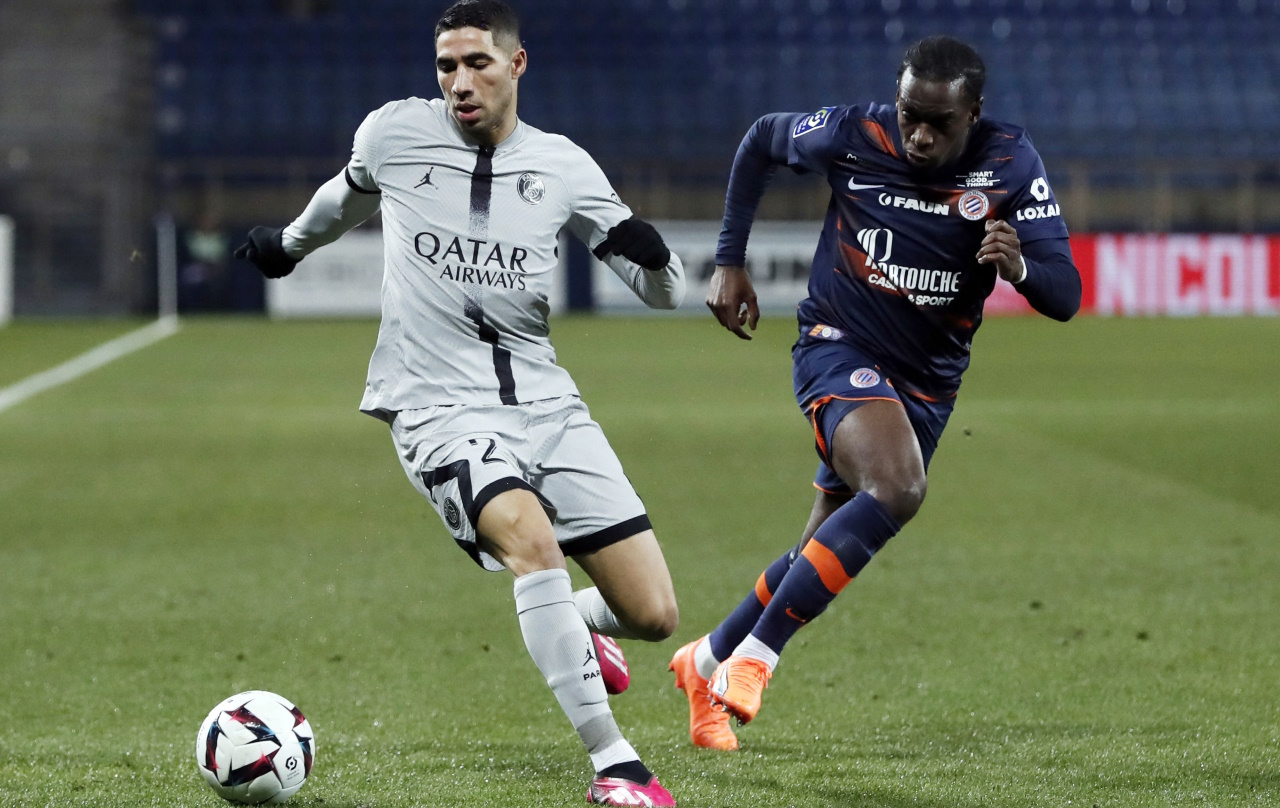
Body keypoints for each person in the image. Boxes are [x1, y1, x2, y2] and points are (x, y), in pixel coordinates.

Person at [234, 2, 683, 804]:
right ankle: (616, 764)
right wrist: (287, 245)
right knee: (531, 544)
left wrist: (655, 264)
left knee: (652, 615)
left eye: (476, 62)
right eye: (446, 65)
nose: (458, 82)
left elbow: (660, 292)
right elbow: (345, 197)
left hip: (548, 406)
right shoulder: (396, 135)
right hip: (436, 406)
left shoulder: (563, 166)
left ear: (517, 65)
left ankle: (573, 626)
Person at [669, 35, 1081, 751]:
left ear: (973, 115)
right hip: (838, 349)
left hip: (926, 386)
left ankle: (703, 661)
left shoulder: (1012, 162)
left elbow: (1067, 293)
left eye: (938, 124)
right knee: (897, 488)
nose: (917, 135)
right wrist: (728, 261)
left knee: (816, 551)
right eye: (909, 114)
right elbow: (763, 139)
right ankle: (755, 660)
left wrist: (1019, 269)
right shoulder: (853, 133)